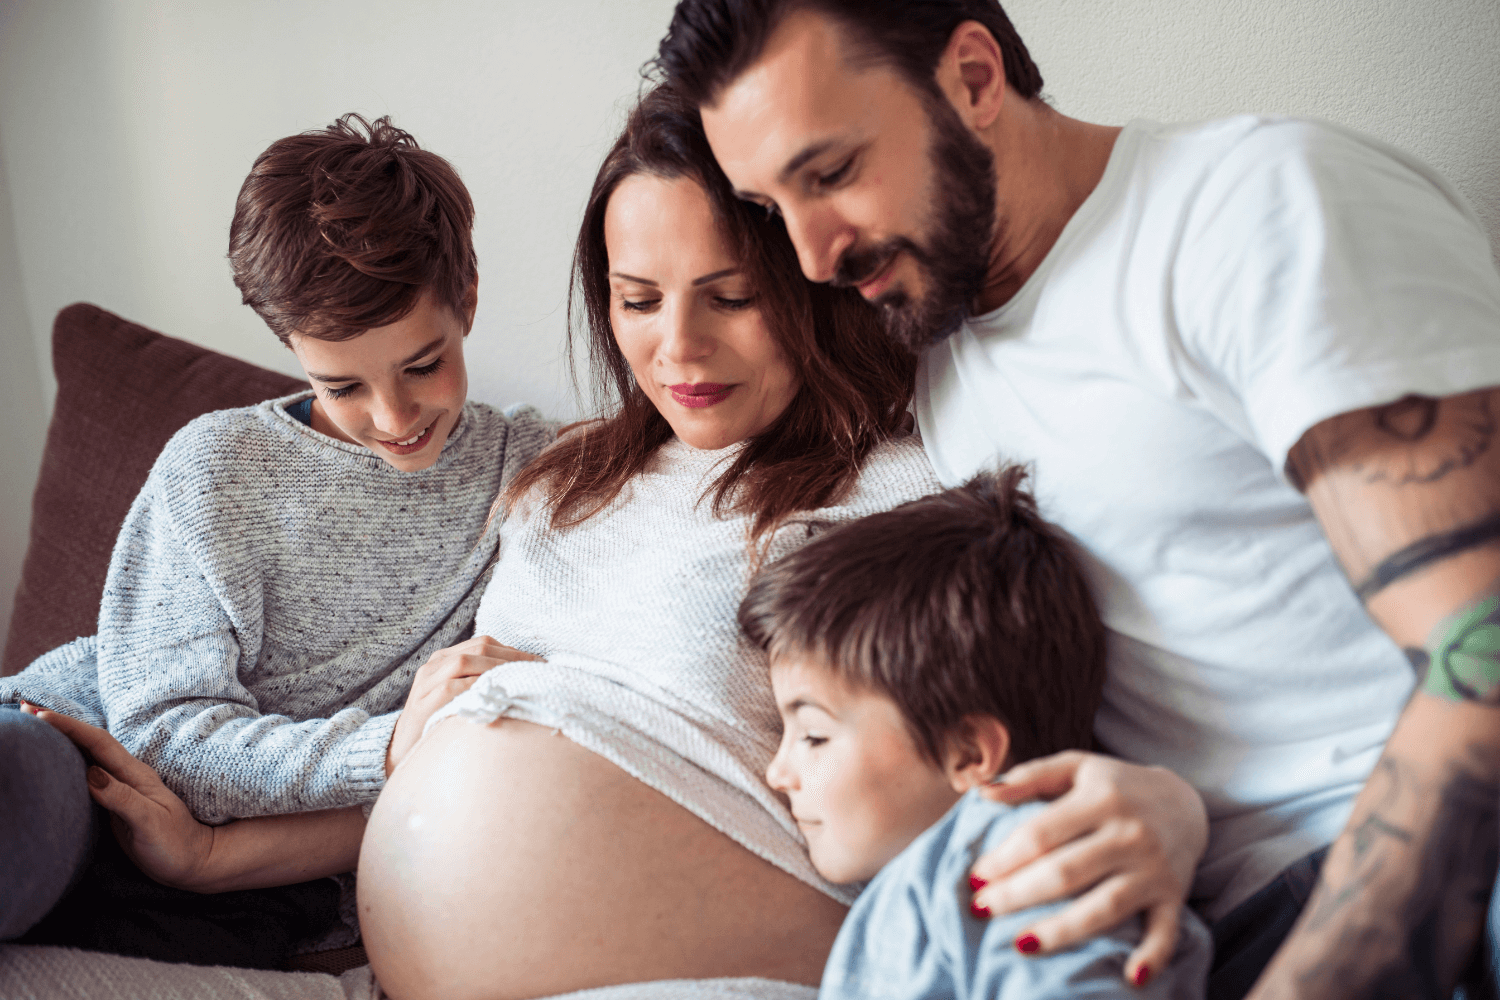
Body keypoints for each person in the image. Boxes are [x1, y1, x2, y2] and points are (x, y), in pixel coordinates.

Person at [651, 1, 1500, 997]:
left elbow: (1481, 656)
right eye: (769, 208)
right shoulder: (946, 365)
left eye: (830, 173)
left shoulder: (1256, 208)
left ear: (973, 77)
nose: (811, 253)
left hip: (1446, 874)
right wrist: (1168, 803)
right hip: (1189, 922)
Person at [28, 85, 941, 1000]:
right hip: (109, 760)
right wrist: (239, 839)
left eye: (731, 295)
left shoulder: (541, 465)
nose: (678, 347)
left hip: (412, 932)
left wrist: (216, 861)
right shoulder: (571, 476)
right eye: (638, 299)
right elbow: (429, 756)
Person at [0, 113, 554, 967]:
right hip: (81, 757)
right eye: (342, 386)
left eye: (422, 363)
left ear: (467, 301)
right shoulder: (216, 468)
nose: (394, 418)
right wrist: (390, 745)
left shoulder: (531, 471)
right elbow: (161, 737)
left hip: (249, 884)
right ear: (290, 349)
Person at [739, 466, 1214, 999]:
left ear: (968, 752)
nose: (777, 774)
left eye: (814, 735)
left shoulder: (1021, 851)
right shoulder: (928, 879)